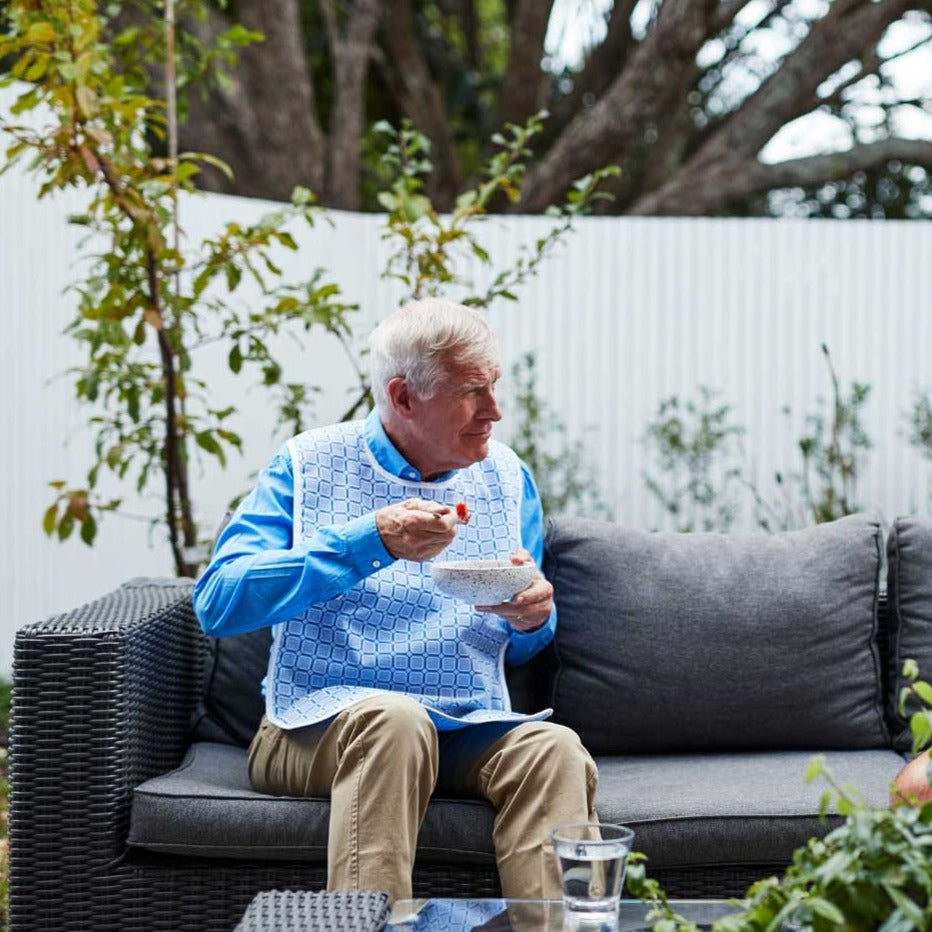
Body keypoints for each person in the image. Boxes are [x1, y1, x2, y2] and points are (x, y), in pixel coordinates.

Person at [193, 298, 598, 902]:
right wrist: (369, 542)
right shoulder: (308, 466)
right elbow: (220, 603)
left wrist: (533, 615)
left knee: (555, 749)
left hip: (465, 724)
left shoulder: (506, 478)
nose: (495, 411)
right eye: (471, 391)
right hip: (312, 724)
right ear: (404, 398)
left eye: (494, 387)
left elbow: (525, 642)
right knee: (395, 720)